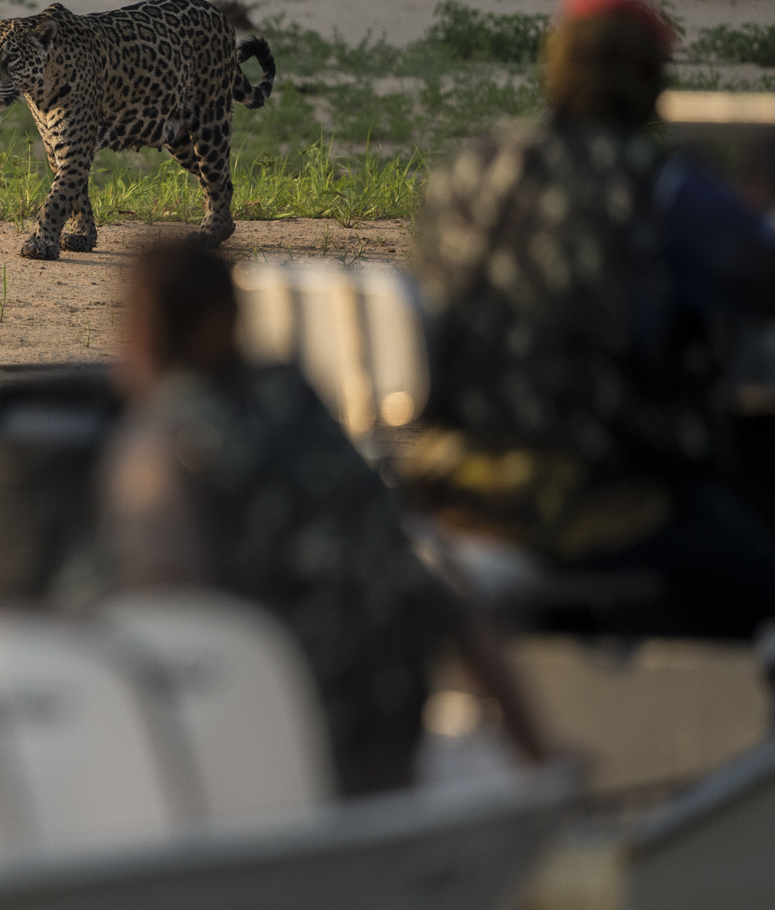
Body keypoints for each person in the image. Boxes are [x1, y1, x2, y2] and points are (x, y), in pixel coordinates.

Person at [98, 241, 543, 795]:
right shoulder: (294, 396)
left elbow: (166, 605)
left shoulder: (163, 441)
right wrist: (538, 754)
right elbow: (428, 585)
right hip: (391, 724)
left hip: (281, 741)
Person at [406, 0, 775, 644]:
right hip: (594, 500)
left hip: (453, 485)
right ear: (650, 78)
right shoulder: (665, 186)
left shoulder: (472, 167)